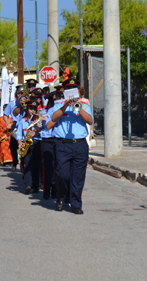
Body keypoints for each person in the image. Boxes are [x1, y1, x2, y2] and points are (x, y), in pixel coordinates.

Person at [47, 78, 93, 214]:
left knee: (78, 177)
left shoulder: (84, 105)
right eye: (69, 90)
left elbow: (90, 120)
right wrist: (65, 106)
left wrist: (78, 109)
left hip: (80, 144)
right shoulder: (58, 105)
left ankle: (76, 204)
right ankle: (61, 197)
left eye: (74, 90)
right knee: (62, 175)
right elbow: (54, 118)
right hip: (63, 145)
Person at [17, 100, 43, 194]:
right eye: (31, 108)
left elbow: (43, 133)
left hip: (37, 143)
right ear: (27, 109)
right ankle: (28, 185)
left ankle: (36, 186)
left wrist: (36, 131)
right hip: (26, 144)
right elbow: (19, 135)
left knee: (37, 165)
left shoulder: (39, 121)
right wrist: (20, 142)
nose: (33, 111)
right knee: (27, 164)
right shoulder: (22, 121)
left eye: (34, 109)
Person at [40, 91, 59, 200]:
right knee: (48, 166)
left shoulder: (59, 111)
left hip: (56, 139)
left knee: (57, 166)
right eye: (53, 103)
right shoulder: (44, 112)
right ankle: (46, 191)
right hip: (47, 140)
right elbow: (44, 126)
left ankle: (55, 190)